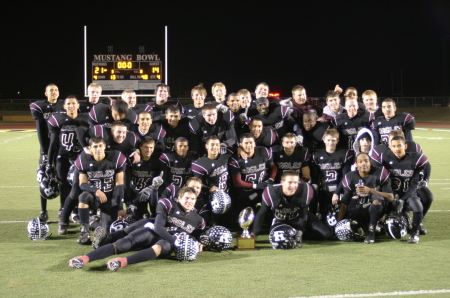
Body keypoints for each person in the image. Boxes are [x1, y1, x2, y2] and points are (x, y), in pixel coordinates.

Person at [68, 187, 205, 272]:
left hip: (167, 243)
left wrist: (198, 243)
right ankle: (84, 258)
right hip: (157, 233)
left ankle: (122, 262)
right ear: (179, 198)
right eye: (187, 198)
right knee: (124, 243)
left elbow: (199, 236)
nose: (190, 201)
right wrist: (175, 241)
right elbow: (158, 226)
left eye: (193, 199)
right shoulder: (169, 204)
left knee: (162, 246)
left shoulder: (198, 219)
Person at [251, 170, 331, 246]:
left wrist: (299, 232)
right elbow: (261, 214)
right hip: (280, 220)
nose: (293, 186)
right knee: (280, 239)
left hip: (299, 216)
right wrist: (254, 234)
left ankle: (302, 235)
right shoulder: (271, 192)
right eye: (289, 182)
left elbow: (303, 214)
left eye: (295, 182)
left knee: (325, 233)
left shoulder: (306, 189)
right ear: (282, 182)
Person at [73, 136, 127, 244]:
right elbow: (82, 184)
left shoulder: (116, 158)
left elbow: (119, 184)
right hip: (94, 198)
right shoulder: (83, 160)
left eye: (101, 146)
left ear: (105, 146)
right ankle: (85, 232)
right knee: (83, 197)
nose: (98, 149)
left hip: (110, 198)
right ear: (90, 148)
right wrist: (96, 190)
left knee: (107, 233)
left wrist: (120, 207)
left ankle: (93, 224)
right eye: (95, 146)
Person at [379, 136, 430, 243]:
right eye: (394, 146)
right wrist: (392, 196)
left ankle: (415, 232)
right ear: (390, 147)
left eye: (399, 145)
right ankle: (373, 228)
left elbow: (414, 185)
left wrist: (402, 200)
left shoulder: (415, 159)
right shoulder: (385, 159)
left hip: (407, 194)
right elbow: (383, 180)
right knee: (376, 203)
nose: (397, 148)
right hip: (390, 194)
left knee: (417, 205)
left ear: (405, 146)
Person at [47, 95, 89, 223]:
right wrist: (49, 162)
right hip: (63, 157)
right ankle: (63, 209)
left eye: (73, 103)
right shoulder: (58, 119)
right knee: (63, 184)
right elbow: (53, 143)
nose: (71, 106)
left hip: (79, 158)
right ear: (64, 106)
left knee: (77, 185)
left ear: (78, 105)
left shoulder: (86, 119)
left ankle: (76, 210)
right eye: (68, 104)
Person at [337, 153, 394, 244]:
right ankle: (367, 227)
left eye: (366, 161)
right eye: (360, 162)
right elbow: (344, 204)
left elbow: (391, 197)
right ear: (356, 164)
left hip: (376, 210)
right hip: (358, 210)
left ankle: (371, 232)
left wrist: (371, 191)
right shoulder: (350, 177)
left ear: (370, 163)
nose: (364, 164)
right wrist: (338, 224)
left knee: (376, 198)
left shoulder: (380, 173)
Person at [29, 83, 64, 221]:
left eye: (56, 90)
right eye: (51, 90)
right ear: (46, 93)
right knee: (44, 177)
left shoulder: (63, 106)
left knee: (62, 178)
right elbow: (40, 131)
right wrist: (44, 151)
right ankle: (43, 210)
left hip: (61, 148)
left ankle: (62, 209)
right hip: (47, 148)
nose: (54, 92)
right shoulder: (41, 107)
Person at [311, 128, 354, 221]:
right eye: (328, 140)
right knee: (322, 214)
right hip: (324, 189)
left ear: (337, 140)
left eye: (333, 140)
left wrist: (336, 193)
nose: (331, 142)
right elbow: (315, 176)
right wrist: (315, 189)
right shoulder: (317, 155)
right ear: (324, 140)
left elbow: (345, 176)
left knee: (342, 214)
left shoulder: (344, 154)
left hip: (340, 188)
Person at [229, 134, 277, 211]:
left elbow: (273, 167)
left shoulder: (264, 152)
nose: (249, 145)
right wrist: (256, 186)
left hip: (264, 189)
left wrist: (271, 179)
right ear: (240, 145)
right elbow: (237, 182)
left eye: (251, 142)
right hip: (246, 194)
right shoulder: (235, 160)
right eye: (246, 143)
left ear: (254, 143)